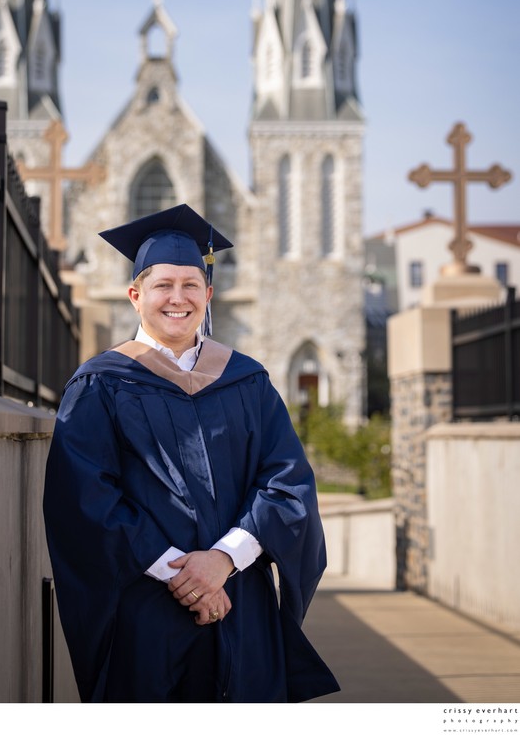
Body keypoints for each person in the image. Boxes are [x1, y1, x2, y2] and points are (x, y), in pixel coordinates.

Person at [43, 203, 339, 703]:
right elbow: (85, 501)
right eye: (163, 286)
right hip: (146, 609)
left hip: (240, 603)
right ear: (136, 295)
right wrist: (182, 575)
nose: (177, 298)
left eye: (189, 285)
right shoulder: (102, 384)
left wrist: (223, 560)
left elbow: (287, 482)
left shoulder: (247, 380)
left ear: (208, 294)